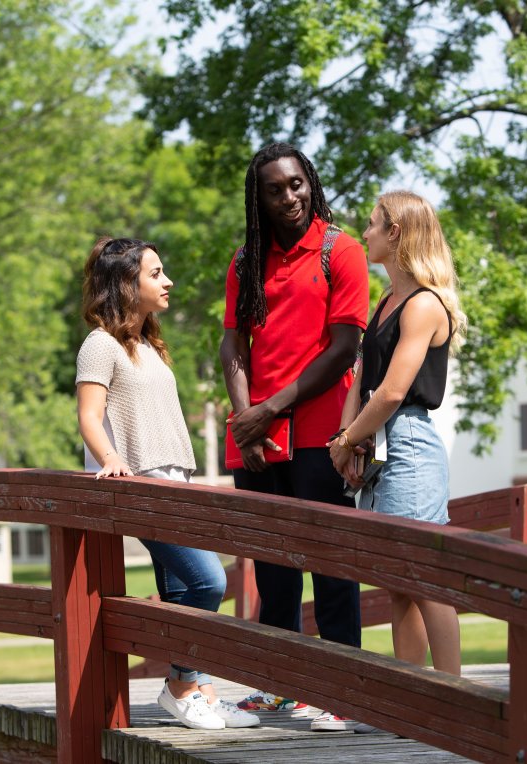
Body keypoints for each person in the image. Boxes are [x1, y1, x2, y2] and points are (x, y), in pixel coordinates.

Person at [77, 236, 259, 731]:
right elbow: (89, 417)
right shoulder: (101, 344)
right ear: (125, 284)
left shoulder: (148, 343)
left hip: (175, 482)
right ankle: (181, 683)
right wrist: (113, 462)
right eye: (155, 273)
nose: (168, 281)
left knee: (181, 592)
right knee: (211, 580)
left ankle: (194, 689)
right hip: (144, 486)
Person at [221, 143, 368, 732]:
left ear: (311, 183)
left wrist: (269, 410)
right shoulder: (244, 261)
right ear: (259, 199)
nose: (290, 197)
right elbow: (233, 345)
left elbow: (344, 349)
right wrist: (245, 419)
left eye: (297, 184)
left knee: (331, 564)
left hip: (319, 436)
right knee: (273, 569)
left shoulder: (343, 249)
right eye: (276, 189)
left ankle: (341, 692)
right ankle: (281, 689)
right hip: (259, 440)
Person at [329, 190, 464, 680]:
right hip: (377, 440)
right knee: (398, 582)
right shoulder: (387, 300)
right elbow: (363, 377)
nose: (363, 233)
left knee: (424, 579)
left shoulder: (425, 305)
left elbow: (390, 393)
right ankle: (412, 696)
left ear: (396, 232)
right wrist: (346, 436)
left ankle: (455, 696)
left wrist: (345, 443)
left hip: (407, 444)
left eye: (371, 224)